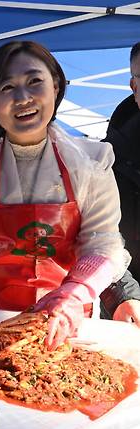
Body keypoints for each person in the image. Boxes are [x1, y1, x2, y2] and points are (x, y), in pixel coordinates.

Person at [0, 41, 130, 350]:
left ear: (55, 85)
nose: (23, 97)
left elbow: (103, 243)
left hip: (66, 324)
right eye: (6, 87)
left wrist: (73, 294)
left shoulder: (93, 161)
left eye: (34, 81)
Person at [99, 42, 140, 327]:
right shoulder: (101, 163)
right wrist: (121, 295)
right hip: (129, 315)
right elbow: (92, 239)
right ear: (134, 86)